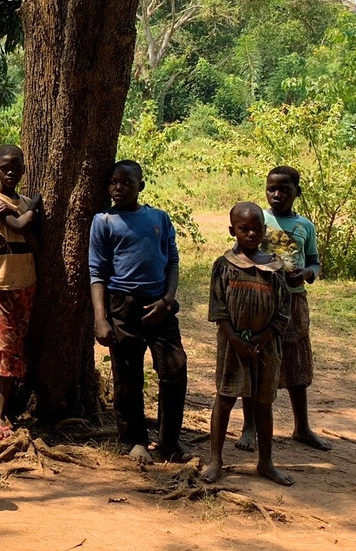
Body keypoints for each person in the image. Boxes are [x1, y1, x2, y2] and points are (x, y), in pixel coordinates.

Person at [89, 159, 190, 463]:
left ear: (141, 186)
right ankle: (134, 440)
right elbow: (97, 272)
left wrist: (168, 300)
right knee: (128, 374)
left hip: (160, 305)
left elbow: (172, 261)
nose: (119, 188)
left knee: (175, 369)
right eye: (113, 183)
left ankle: (170, 441)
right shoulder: (104, 220)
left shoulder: (159, 218)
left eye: (127, 183)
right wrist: (101, 318)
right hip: (123, 305)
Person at [238, 166, 329, 452]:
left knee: (295, 362)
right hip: (259, 300)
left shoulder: (306, 226)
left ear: (297, 192)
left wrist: (305, 273)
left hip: (293, 301)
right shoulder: (257, 219)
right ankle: (249, 426)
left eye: (284, 190)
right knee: (255, 359)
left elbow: (315, 262)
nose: (277, 195)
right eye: (271, 189)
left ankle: (302, 427)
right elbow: (240, 253)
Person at [201, 202, 292, 486]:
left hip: (267, 347)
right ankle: (215, 460)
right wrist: (237, 341)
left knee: (263, 404)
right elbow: (218, 309)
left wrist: (262, 339)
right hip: (232, 346)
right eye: (244, 229)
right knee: (225, 398)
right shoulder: (224, 266)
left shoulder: (275, 267)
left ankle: (265, 461)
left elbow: (283, 312)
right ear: (232, 230)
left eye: (257, 228)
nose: (251, 233)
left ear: (265, 230)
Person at [0, 145, 41, 439]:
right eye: (4, 167)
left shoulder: (26, 201)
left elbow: (34, 239)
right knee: (7, 347)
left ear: (24, 170)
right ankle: (0, 412)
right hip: (0, 281)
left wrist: (28, 209)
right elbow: (16, 224)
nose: (10, 172)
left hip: (27, 279)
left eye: (16, 167)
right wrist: (27, 212)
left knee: (13, 346)